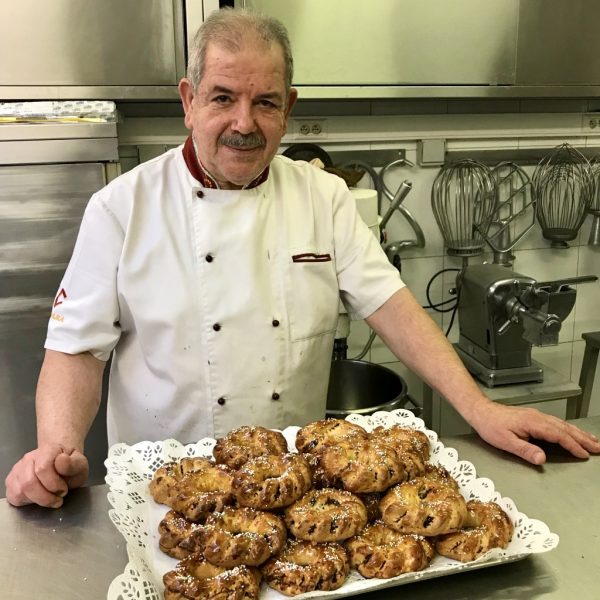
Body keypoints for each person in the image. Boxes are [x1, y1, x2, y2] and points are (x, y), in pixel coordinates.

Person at [5, 8, 599, 509]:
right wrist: (56, 450)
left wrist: (479, 407)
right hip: (167, 494)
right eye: (223, 97)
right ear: (189, 101)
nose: (244, 123)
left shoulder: (325, 197)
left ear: (288, 108)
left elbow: (392, 307)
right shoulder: (122, 207)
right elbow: (77, 349)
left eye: (265, 102)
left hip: (293, 491)